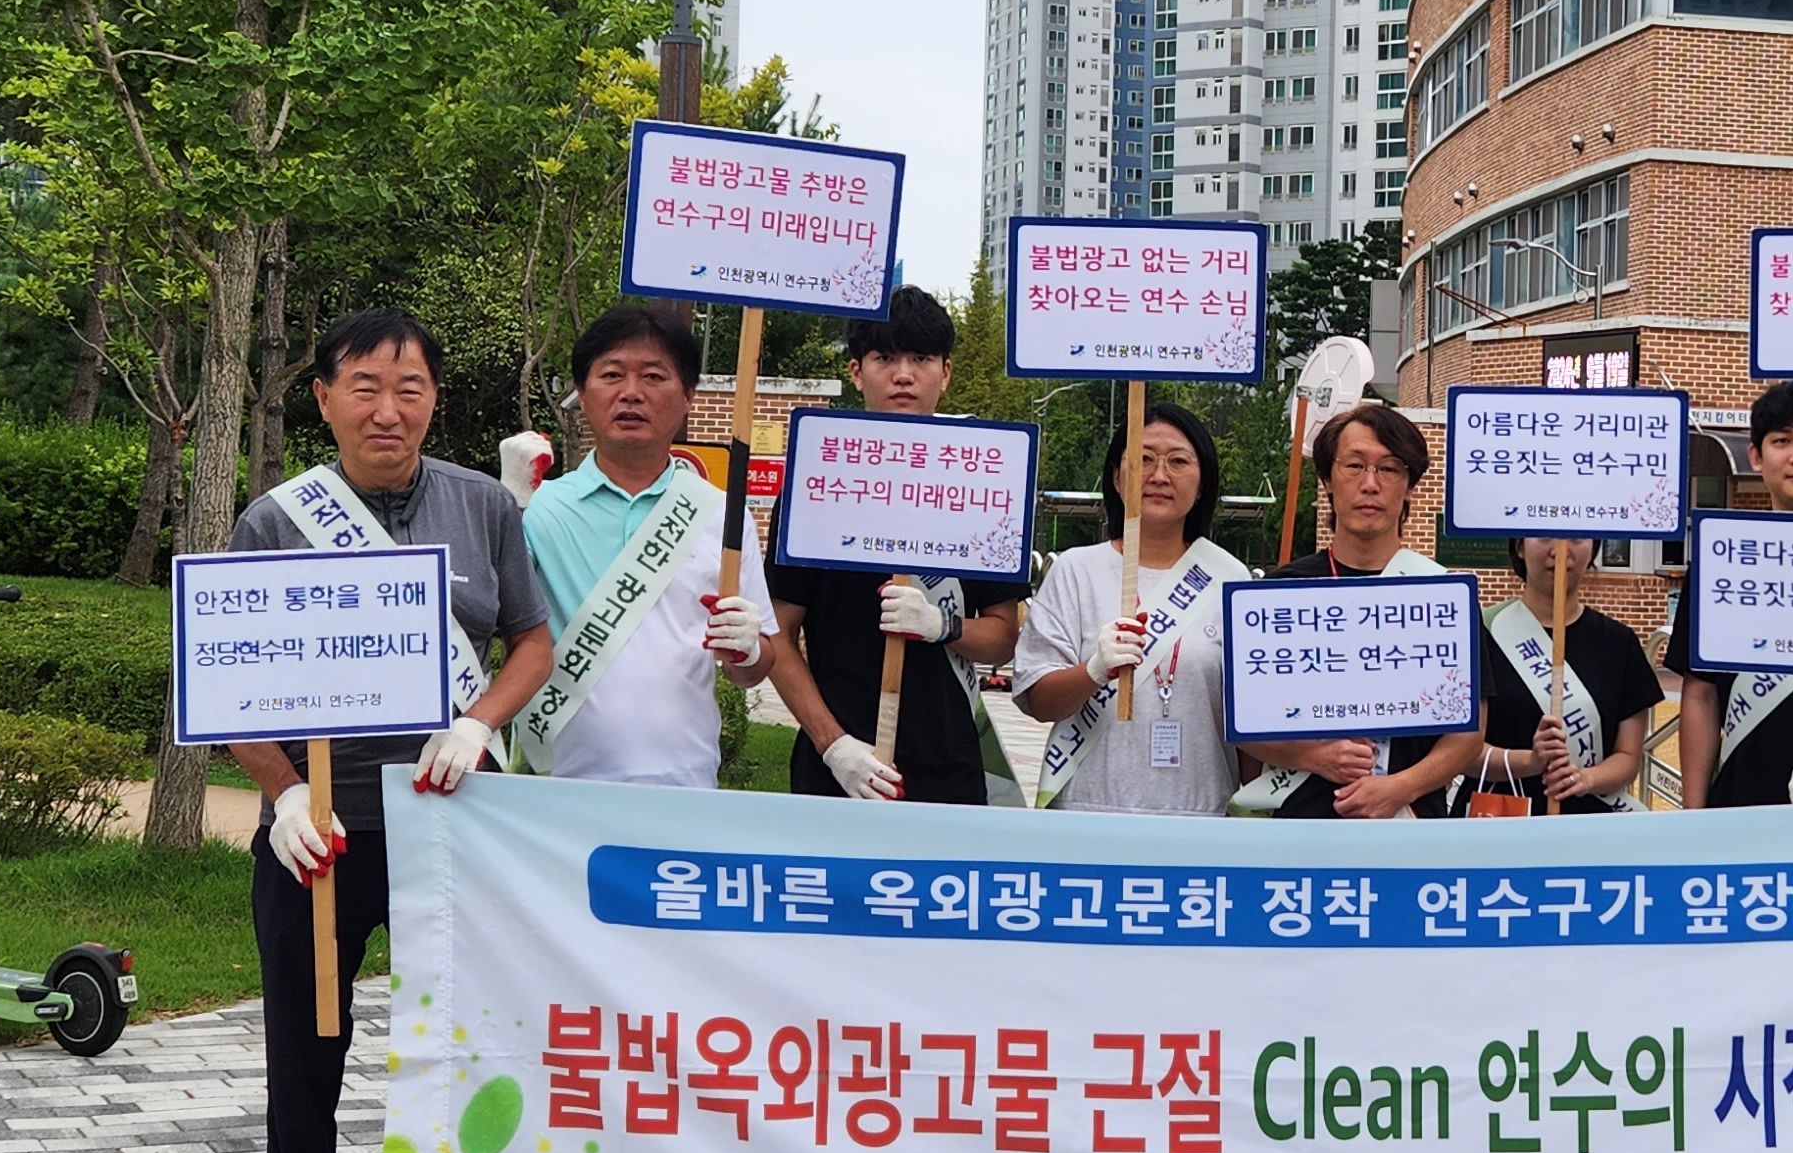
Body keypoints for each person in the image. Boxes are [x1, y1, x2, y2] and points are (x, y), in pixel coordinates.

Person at [231, 309, 558, 1153]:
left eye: (410, 386)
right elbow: (226, 679)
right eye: (364, 384)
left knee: (466, 1067)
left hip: (455, 834)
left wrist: (482, 719)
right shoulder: (275, 521)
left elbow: (532, 638)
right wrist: (279, 793)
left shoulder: (481, 505)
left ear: (434, 399)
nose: (388, 407)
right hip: (321, 836)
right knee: (306, 1074)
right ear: (321, 397)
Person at [761, 290, 1027, 805]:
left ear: (946, 372)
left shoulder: (985, 484)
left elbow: (1003, 636)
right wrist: (832, 744)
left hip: (948, 767)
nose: (903, 374)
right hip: (835, 772)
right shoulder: (814, 485)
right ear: (857, 371)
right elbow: (778, 632)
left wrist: (943, 627)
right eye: (885, 358)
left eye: (921, 359)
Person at [511, 300, 781, 786]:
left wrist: (749, 652)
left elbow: (753, 668)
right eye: (612, 375)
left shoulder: (721, 515)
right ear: (582, 392)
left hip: (685, 787)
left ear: (689, 396)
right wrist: (502, 511)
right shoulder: (539, 511)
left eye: (654, 377)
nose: (631, 393)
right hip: (558, 795)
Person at [1012, 400, 1313, 813]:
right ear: (1117, 477)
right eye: (1144, 459)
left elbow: (1250, 721)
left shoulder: (1231, 578)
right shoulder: (1075, 570)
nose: (1158, 475)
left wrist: (1254, 818)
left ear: (1203, 480)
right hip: (1089, 813)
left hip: (1201, 816)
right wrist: (1094, 671)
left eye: (1178, 461)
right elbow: (1038, 701)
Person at [1257, 401, 1482, 818]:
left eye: (1390, 469)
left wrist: (1399, 788)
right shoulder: (1282, 592)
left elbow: (1469, 733)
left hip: (1413, 825)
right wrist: (1315, 756)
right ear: (1327, 478)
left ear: (1409, 485)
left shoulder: (1444, 596)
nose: (1370, 484)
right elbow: (1247, 725)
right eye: (1354, 466)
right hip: (1306, 827)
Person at [1668, 380, 1793, 807]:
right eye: (1782, 440)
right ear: (1756, 457)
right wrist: (1692, 813)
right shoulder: (1722, 556)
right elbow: (1700, 693)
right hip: (1742, 804)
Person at [1475, 532, 1668, 813]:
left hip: (1590, 825)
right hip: (1498, 820)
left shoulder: (1619, 643)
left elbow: (1627, 758)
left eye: (1577, 538)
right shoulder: (1480, 635)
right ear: (1519, 546)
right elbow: (1462, 754)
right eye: (1543, 537)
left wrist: (1584, 778)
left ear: (1594, 549)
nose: (1560, 551)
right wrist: (1530, 762)